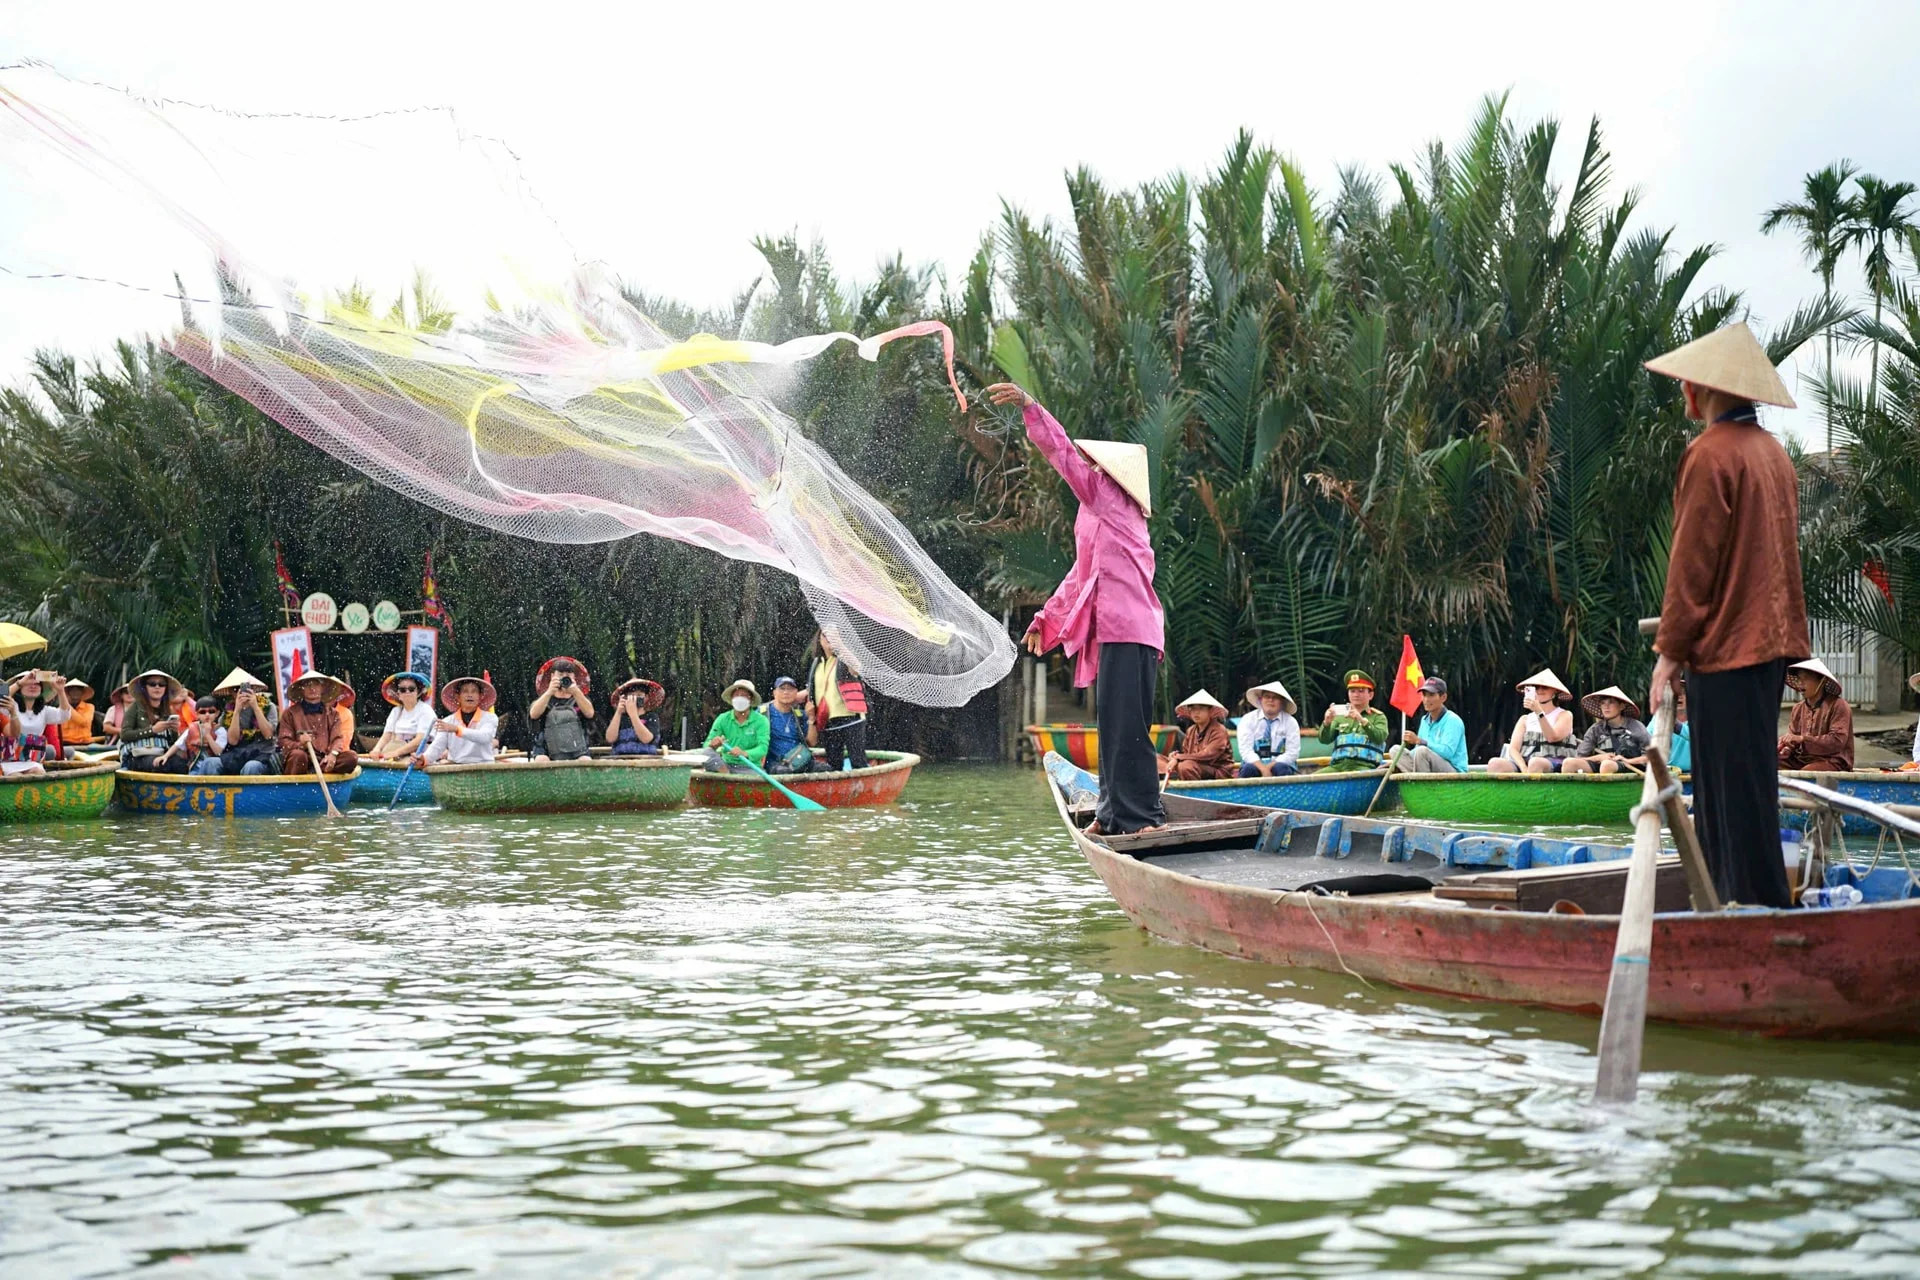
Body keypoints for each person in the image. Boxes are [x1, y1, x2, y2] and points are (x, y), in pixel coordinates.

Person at [1646, 322, 1808, 908]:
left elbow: (1692, 566)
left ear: (1701, 391)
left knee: (1723, 794)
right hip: (1768, 649)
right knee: (1751, 787)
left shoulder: (1710, 454)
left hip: (1727, 651)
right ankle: (1754, 904)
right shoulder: (1774, 454)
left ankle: (1742, 909)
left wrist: (1669, 653)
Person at [986, 382, 1164, 836]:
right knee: (1113, 726)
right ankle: (1111, 814)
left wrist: (1031, 408)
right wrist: (1045, 618)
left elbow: (1062, 455)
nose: (1089, 466)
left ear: (1110, 473)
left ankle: (1142, 817)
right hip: (1117, 634)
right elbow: (1078, 577)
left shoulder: (1109, 497)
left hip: (1131, 631)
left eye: (1096, 464)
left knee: (1128, 729)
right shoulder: (1098, 514)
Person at [1487, 669, 1577, 773]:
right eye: (1536, 687)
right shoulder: (1525, 719)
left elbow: (1552, 737)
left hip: (1554, 762)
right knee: (1495, 763)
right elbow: (1513, 749)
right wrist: (1523, 767)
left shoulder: (1565, 715)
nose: (1540, 690)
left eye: (1545, 687)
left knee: (1535, 763)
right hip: (1526, 762)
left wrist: (1539, 712)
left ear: (1555, 691)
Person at [805, 630, 870, 772]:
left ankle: (864, 791)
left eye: (833, 636)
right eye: (825, 635)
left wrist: (840, 646)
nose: (829, 639)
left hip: (851, 718)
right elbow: (811, 691)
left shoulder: (844, 658)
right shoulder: (817, 663)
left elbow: (856, 669)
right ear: (819, 640)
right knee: (833, 764)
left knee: (857, 760)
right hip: (827, 720)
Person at [277, 673, 359, 777]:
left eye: (316, 684)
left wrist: (332, 755)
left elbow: (337, 738)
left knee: (351, 757)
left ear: (322, 688)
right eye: (307, 685)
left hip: (324, 759)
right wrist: (301, 744)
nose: (312, 688)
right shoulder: (290, 713)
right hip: (301, 760)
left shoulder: (333, 714)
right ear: (301, 689)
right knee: (298, 755)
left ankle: (322, 772)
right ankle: (296, 787)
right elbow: (283, 742)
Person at [1779, 658, 1852, 772]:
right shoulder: (1798, 708)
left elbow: (1837, 741)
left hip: (1832, 760)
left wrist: (1803, 739)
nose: (1800, 683)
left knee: (1807, 773)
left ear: (1821, 681)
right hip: (1801, 760)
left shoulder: (1838, 705)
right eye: (1799, 679)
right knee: (1770, 765)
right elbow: (1793, 737)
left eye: (1806, 678)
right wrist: (1787, 747)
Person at [1564, 686, 1652, 774]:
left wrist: (1627, 761)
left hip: (1630, 767)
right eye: (1603, 703)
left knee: (1607, 765)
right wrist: (1598, 758)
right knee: (1568, 763)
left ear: (1621, 706)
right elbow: (1580, 757)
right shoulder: (1595, 729)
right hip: (1601, 765)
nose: (1606, 706)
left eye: (1611, 702)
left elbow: (1651, 756)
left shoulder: (1636, 727)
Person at [207, 669, 279, 776]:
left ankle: (249, 793)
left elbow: (268, 735)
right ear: (231, 693)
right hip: (236, 755)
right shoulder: (228, 711)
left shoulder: (269, 706)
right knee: (210, 763)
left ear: (253, 689)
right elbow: (233, 741)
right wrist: (237, 711)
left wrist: (255, 707)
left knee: (251, 767)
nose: (240, 692)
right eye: (236, 689)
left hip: (262, 755)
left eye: (244, 688)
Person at [1318, 670, 1390, 772]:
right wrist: (1327, 723)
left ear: (1370, 695)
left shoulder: (1378, 717)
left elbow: (1379, 738)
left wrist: (1361, 720)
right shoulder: (1340, 716)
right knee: (1310, 780)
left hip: (1365, 766)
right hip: (1338, 766)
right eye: (1352, 691)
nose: (1356, 695)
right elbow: (1324, 740)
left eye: (1361, 691)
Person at [115, 669, 186, 771]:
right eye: (152, 684)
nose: (157, 687)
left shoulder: (169, 710)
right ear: (144, 687)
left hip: (162, 753)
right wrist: (152, 730)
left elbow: (173, 742)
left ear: (166, 688)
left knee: (181, 765)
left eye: (161, 684)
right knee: (160, 765)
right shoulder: (135, 707)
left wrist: (175, 730)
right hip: (138, 756)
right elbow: (124, 735)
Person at [3, 669, 74, 768]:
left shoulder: (44, 711)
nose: (33, 686)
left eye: (37, 684)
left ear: (41, 689)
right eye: (28, 683)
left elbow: (64, 715)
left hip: (33, 761)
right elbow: (1, 695)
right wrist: (20, 682)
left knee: (37, 772)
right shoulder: (10, 706)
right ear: (20, 688)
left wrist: (61, 691)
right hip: (9, 761)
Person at [529, 657, 596, 762]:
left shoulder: (580, 698)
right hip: (546, 751)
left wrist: (576, 692)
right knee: (541, 760)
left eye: (568, 675)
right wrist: (549, 691)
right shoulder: (545, 699)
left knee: (585, 760)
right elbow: (533, 714)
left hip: (578, 751)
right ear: (552, 676)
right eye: (560, 674)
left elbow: (590, 713)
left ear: (574, 676)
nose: (564, 677)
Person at [1397, 676, 1468, 773]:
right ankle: (1414, 781)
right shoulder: (1424, 720)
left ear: (1443, 697)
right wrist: (1396, 761)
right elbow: (1417, 752)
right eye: (1424, 695)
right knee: (1396, 751)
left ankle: (1424, 787)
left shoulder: (1453, 720)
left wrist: (1420, 741)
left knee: (1422, 752)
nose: (1426, 699)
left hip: (1454, 771)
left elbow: (1447, 753)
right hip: (1427, 765)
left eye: (1431, 695)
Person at [1159, 690, 1235, 781]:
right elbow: (1187, 753)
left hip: (1217, 770)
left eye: (1201, 709)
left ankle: (1194, 792)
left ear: (1210, 711)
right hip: (1193, 766)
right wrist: (1175, 756)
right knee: (1155, 760)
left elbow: (1208, 755)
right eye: (1193, 709)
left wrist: (1178, 757)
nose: (1196, 712)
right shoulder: (1191, 730)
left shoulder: (1219, 730)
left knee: (1186, 766)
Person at [423, 676, 499, 765]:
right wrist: (424, 759)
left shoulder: (490, 717)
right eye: (465, 691)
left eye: (474, 691)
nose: (470, 695)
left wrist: (457, 730)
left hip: (483, 766)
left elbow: (485, 737)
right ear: (458, 697)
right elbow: (437, 746)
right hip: (456, 767)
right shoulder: (448, 721)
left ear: (480, 696)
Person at [1237, 682, 1301, 778]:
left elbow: (1292, 753)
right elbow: (1246, 751)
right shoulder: (1248, 719)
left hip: (1281, 763)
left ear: (1282, 702)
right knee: (1248, 769)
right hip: (1254, 763)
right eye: (1267, 696)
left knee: (1281, 768)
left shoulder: (1290, 722)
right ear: (1260, 700)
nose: (1270, 700)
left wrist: (1269, 766)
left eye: (1275, 698)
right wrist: (1263, 768)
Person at [369, 671, 436, 761]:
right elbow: (387, 735)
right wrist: (376, 750)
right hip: (395, 752)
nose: (407, 692)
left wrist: (397, 752)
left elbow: (420, 739)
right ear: (398, 694)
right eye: (403, 690)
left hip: (418, 755)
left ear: (418, 692)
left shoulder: (426, 710)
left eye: (411, 689)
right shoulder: (396, 711)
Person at [705, 678, 769, 773]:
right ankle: (725, 773)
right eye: (736, 695)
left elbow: (763, 748)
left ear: (750, 699)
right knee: (706, 753)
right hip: (726, 764)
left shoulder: (761, 720)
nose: (740, 698)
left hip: (750, 766)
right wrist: (713, 745)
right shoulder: (723, 718)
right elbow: (707, 744)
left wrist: (745, 753)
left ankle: (727, 777)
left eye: (744, 695)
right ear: (731, 698)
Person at [765, 676, 825, 773]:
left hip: (799, 759)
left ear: (796, 692)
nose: (786, 692)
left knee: (825, 769)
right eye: (782, 688)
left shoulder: (800, 715)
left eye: (790, 689)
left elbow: (812, 743)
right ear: (774, 693)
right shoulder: (763, 713)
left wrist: (811, 718)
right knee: (783, 772)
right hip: (775, 761)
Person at [606, 677, 665, 757]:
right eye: (631, 696)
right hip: (620, 761)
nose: (635, 699)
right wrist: (618, 712)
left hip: (645, 761)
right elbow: (610, 739)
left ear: (646, 697)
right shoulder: (620, 718)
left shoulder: (651, 716)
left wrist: (633, 715)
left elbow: (646, 739)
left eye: (639, 695)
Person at [170, 696, 227, 774]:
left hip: (213, 768)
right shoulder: (192, 728)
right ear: (197, 714)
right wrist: (165, 756)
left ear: (217, 713)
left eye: (211, 711)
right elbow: (178, 744)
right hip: (195, 767)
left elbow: (218, 752)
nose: (207, 715)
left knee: (211, 763)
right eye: (203, 712)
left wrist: (208, 735)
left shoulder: (220, 730)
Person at [57, 678, 97, 755]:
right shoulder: (60, 708)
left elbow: (83, 722)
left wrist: (66, 704)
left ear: (82, 692)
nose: (75, 692)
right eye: (73, 690)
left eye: (78, 690)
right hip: (65, 743)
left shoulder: (90, 707)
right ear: (68, 692)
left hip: (84, 744)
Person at [1669, 685, 1693, 773]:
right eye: (1676, 692)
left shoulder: (1698, 720)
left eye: (1684, 693)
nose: (1679, 696)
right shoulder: (1658, 719)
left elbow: (1702, 738)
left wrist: (1677, 726)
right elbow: (1647, 742)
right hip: (1668, 775)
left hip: (1692, 776)